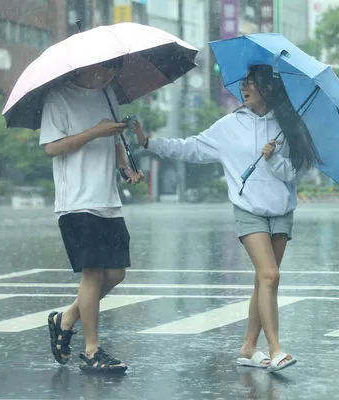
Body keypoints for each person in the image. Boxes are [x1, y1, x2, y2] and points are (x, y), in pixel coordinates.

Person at [132, 64, 319, 372]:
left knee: (264, 281)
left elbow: (298, 172)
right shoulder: (229, 126)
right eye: (243, 83)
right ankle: (275, 348)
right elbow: (190, 147)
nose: (244, 89)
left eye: (250, 84)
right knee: (270, 276)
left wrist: (273, 160)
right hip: (248, 209)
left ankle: (248, 347)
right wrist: (149, 143)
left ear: (267, 89)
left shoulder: (289, 125)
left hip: (282, 211)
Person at [40, 57, 144, 373]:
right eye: (104, 69)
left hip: (107, 198)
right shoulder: (57, 97)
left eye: (114, 70)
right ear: (86, 66)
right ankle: (91, 350)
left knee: (116, 274)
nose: (108, 75)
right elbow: (51, 148)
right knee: (93, 273)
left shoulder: (107, 94)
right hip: (77, 200)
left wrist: (125, 166)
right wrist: (94, 131)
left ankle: (67, 318)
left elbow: (112, 141)